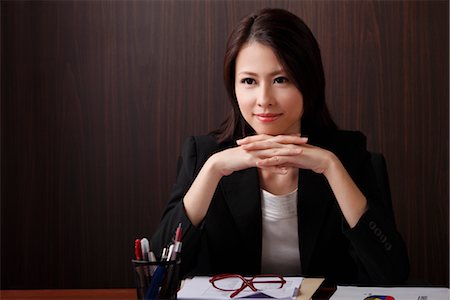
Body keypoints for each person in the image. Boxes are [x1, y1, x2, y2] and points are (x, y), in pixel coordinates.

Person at [151, 8, 409, 285]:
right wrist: (213, 170)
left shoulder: (348, 154)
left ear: (309, 83)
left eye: (281, 80)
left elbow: (392, 273)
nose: (264, 99)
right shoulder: (203, 155)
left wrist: (331, 168)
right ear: (233, 87)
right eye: (249, 81)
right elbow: (158, 272)